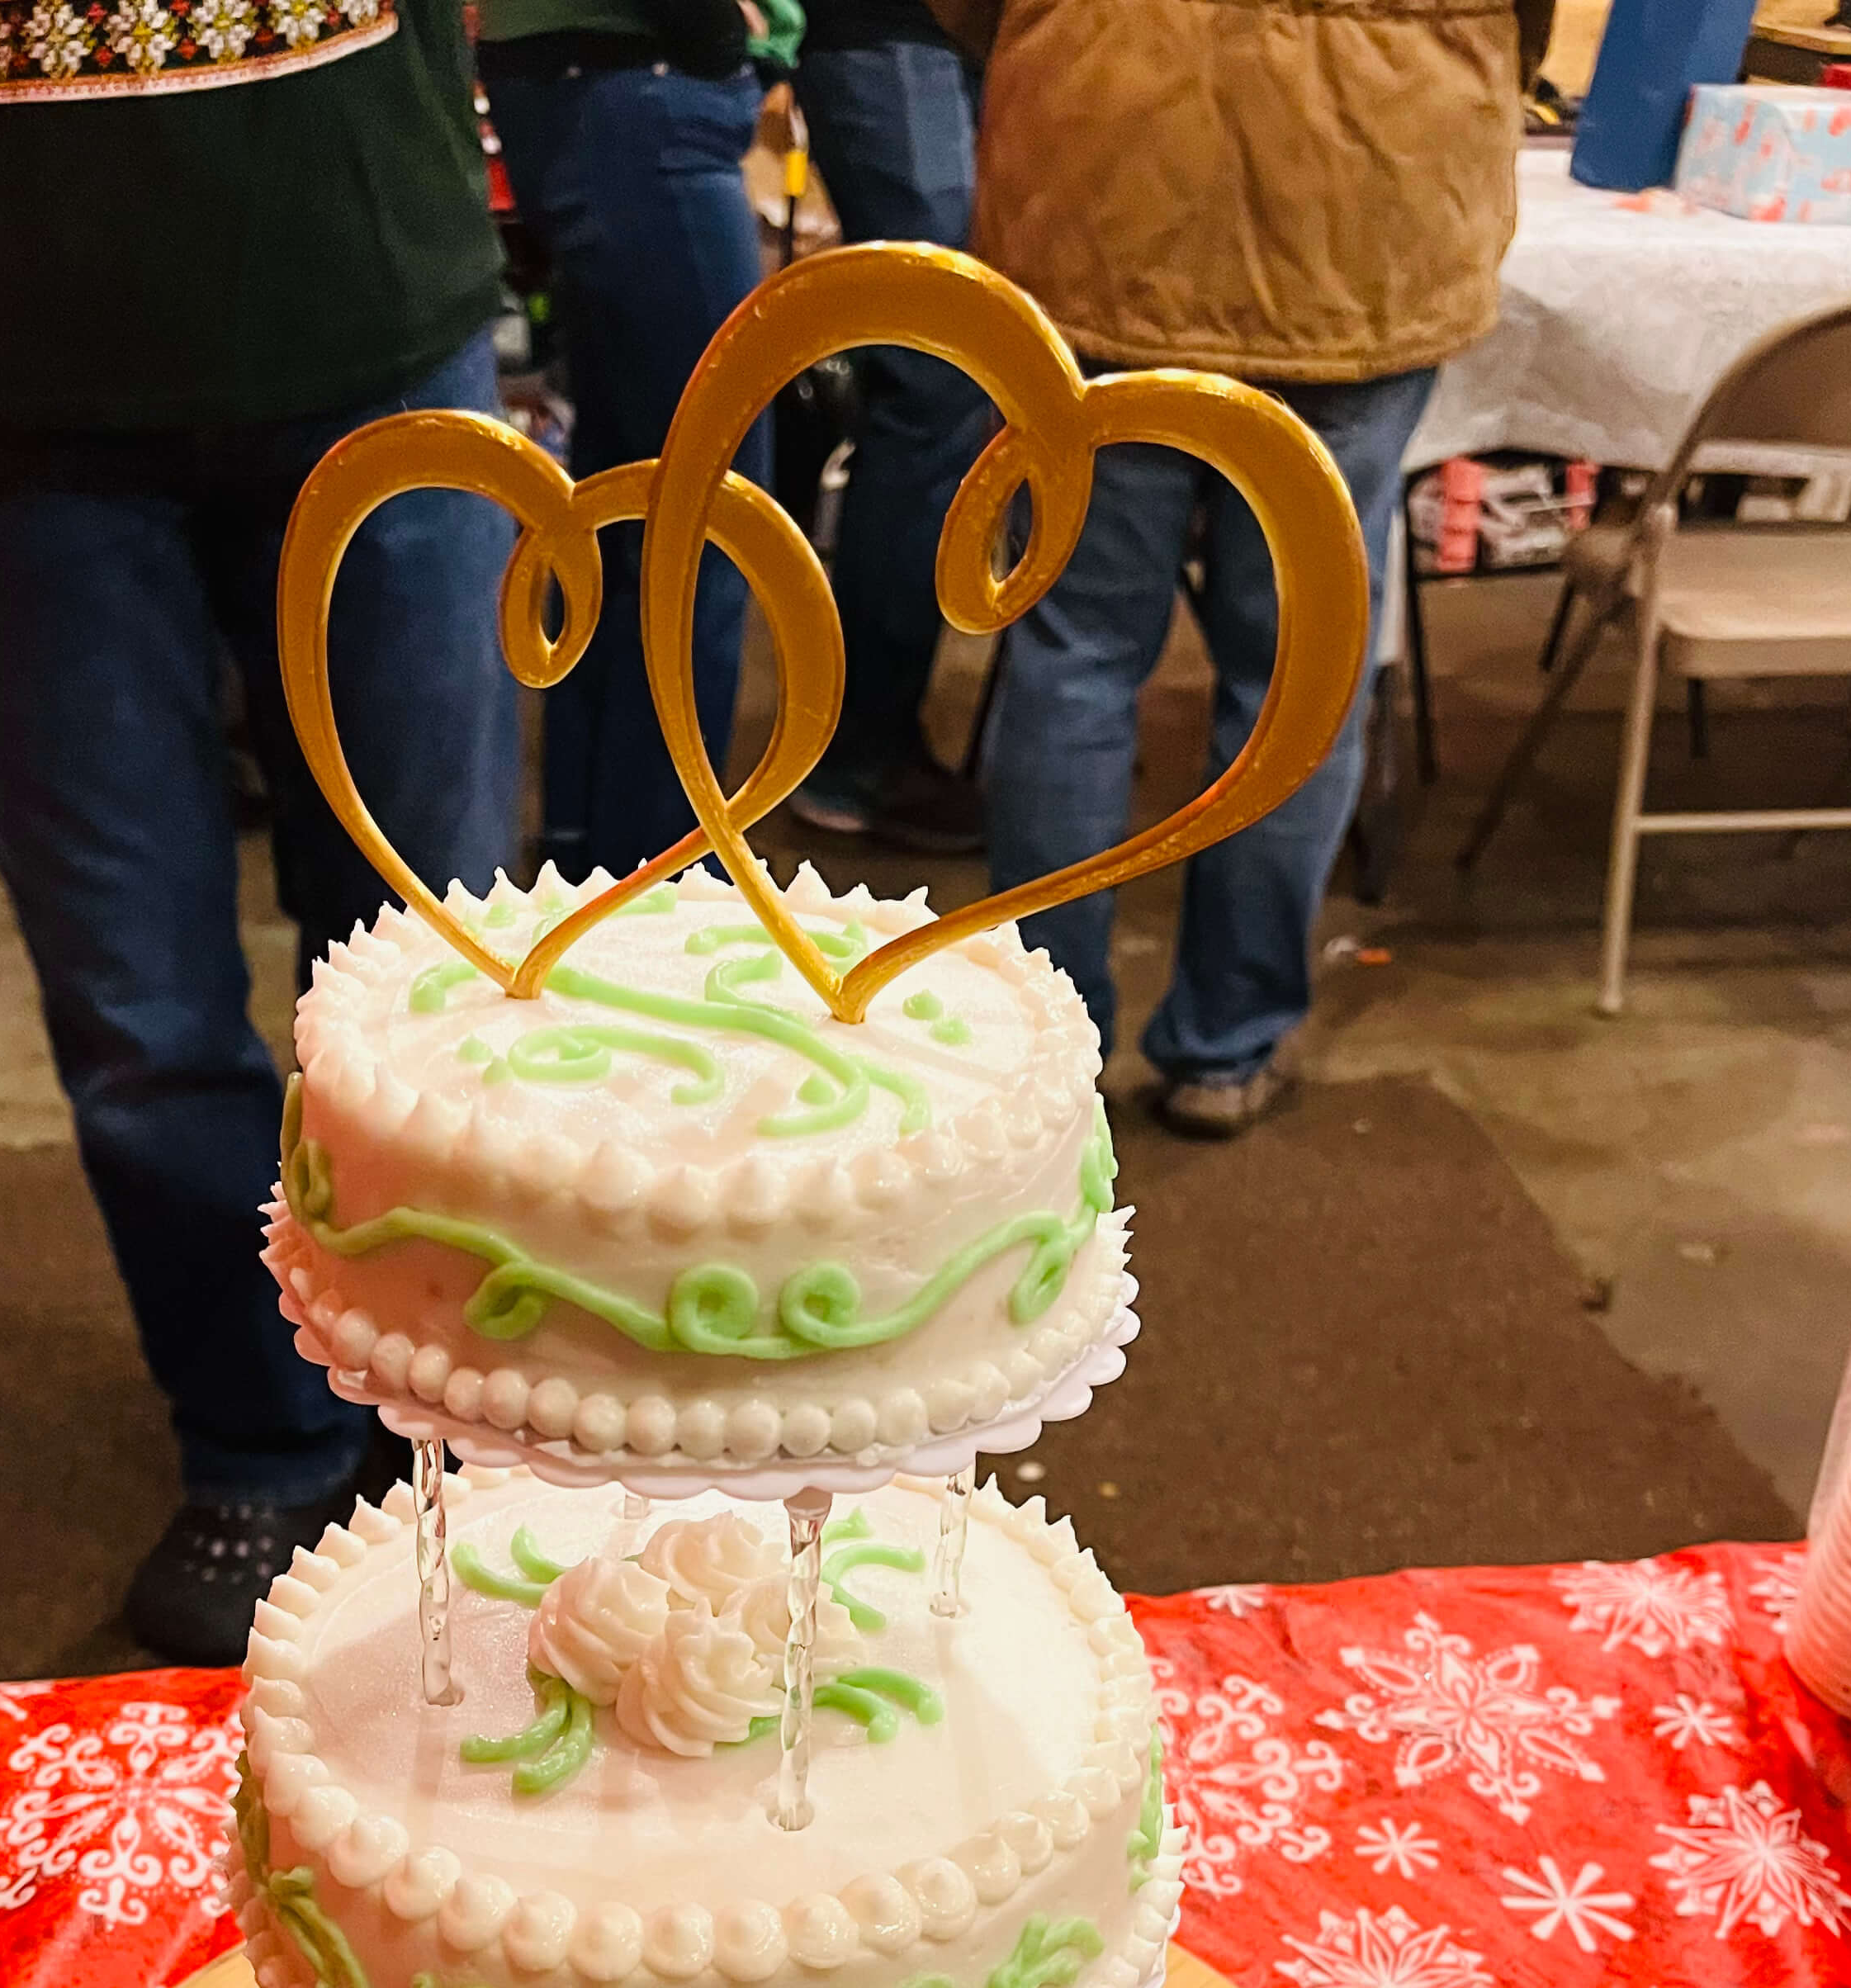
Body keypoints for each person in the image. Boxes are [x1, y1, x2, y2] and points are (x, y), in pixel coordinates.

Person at [0, 2, 519, 1666]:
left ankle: (458, 1410)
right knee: (138, 1005)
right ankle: (262, 1435)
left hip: (353, 259)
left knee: (436, 962)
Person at [929, 0, 1527, 1139]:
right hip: (1373, 188)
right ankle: (1227, 1047)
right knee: (1297, 676)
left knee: (1074, 657)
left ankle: (1049, 1048)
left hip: (1102, 165)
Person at [478, 0, 783, 883]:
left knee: (625, 513)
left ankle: (597, 863)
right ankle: (661, 886)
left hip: (594, 86)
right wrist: (716, 33)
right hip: (636, 81)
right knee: (706, 526)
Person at [784, 0, 990, 852]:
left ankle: (867, 739)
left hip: (946, 29)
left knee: (944, 376)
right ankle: (858, 753)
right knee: (939, 378)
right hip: (889, 23)